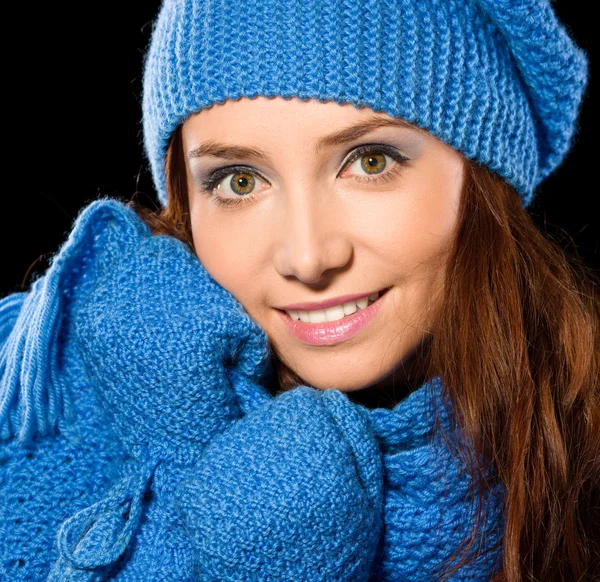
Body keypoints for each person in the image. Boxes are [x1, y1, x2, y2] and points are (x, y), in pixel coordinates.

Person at [1, 0, 598, 580]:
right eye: (239, 180)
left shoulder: (576, 446)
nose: (308, 257)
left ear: (484, 181)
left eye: (369, 161)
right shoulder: (38, 403)